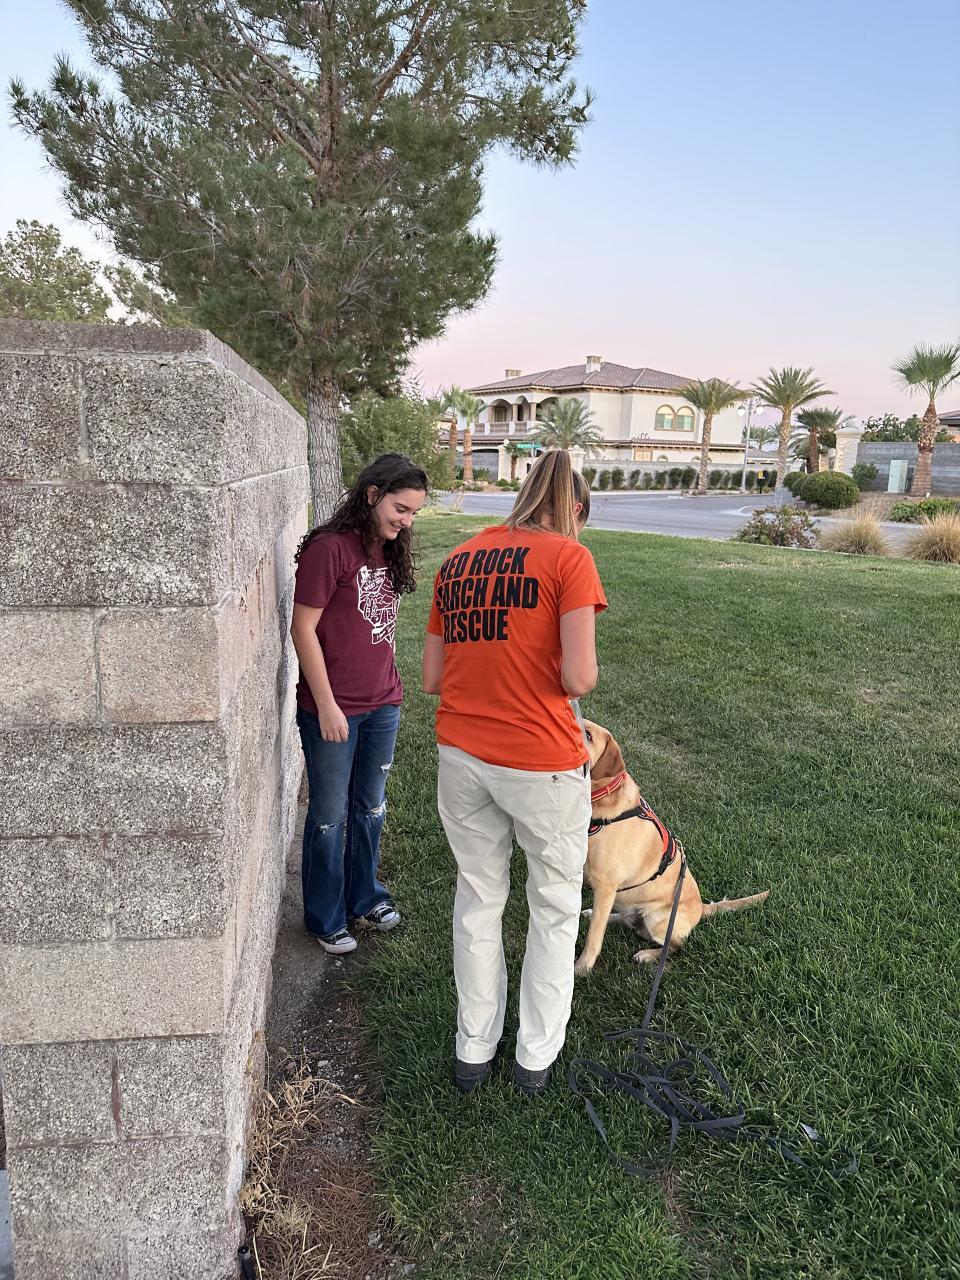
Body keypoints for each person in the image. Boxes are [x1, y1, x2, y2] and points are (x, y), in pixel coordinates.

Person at [422, 450, 607, 1096]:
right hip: (541, 762)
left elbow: (432, 677)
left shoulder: (457, 560)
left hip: (461, 755)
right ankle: (534, 1058)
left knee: (478, 899)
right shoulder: (570, 558)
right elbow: (579, 677)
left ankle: (473, 1048)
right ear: (574, 509)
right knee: (554, 907)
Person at [291, 453, 428, 955]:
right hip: (333, 708)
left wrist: (390, 687)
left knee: (370, 807)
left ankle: (365, 896)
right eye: (400, 508)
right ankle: (325, 916)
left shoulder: (387, 549)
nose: (406, 521)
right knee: (329, 816)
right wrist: (327, 705)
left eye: (413, 513)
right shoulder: (330, 549)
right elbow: (302, 629)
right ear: (372, 495)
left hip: (382, 704)